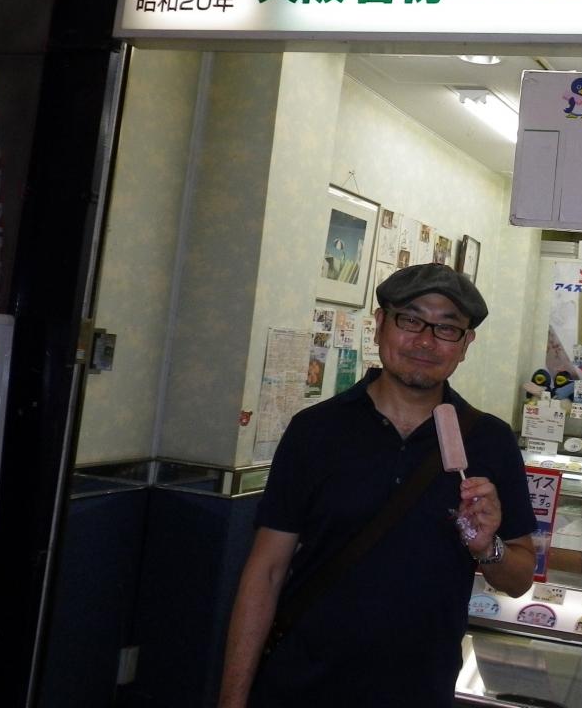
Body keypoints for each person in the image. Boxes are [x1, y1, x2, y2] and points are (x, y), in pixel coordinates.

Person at [218, 264, 537, 708]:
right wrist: (232, 700)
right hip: (299, 685)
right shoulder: (315, 431)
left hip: (419, 690)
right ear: (380, 323)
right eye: (410, 319)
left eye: (447, 328)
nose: (425, 341)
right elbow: (266, 570)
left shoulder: (489, 440)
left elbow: (519, 579)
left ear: (465, 344)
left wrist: (488, 547)